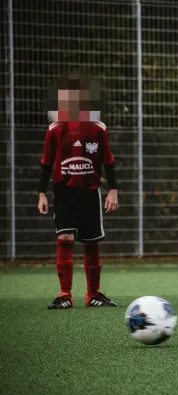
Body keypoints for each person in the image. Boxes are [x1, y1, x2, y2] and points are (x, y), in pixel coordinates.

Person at [38, 73, 119, 309]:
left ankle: (93, 294)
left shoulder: (98, 128)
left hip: (90, 191)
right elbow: (46, 162)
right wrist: (41, 193)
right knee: (65, 237)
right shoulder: (55, 128)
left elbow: (108, 161)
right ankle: (65, 295)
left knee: (91, 241)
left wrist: (113, 190)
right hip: (64, 191)